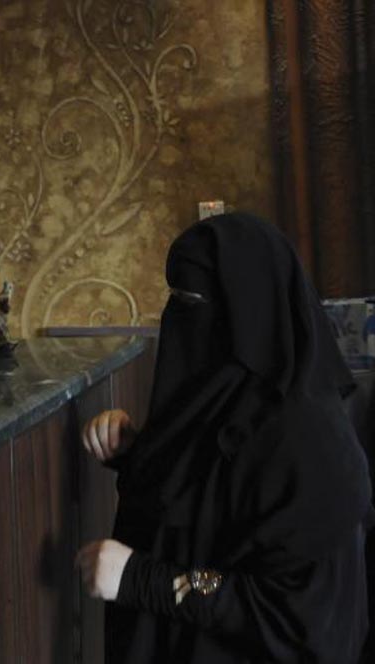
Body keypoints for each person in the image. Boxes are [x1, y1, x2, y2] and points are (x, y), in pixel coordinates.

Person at [77, 212, 373, 663]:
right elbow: (210, 501)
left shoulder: (310, 444)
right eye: (175, 299)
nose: (179, 319)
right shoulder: (226, 401)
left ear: (247, 315)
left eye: (192, 302)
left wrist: (144, 580)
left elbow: (301, 619)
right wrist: (134, 453)